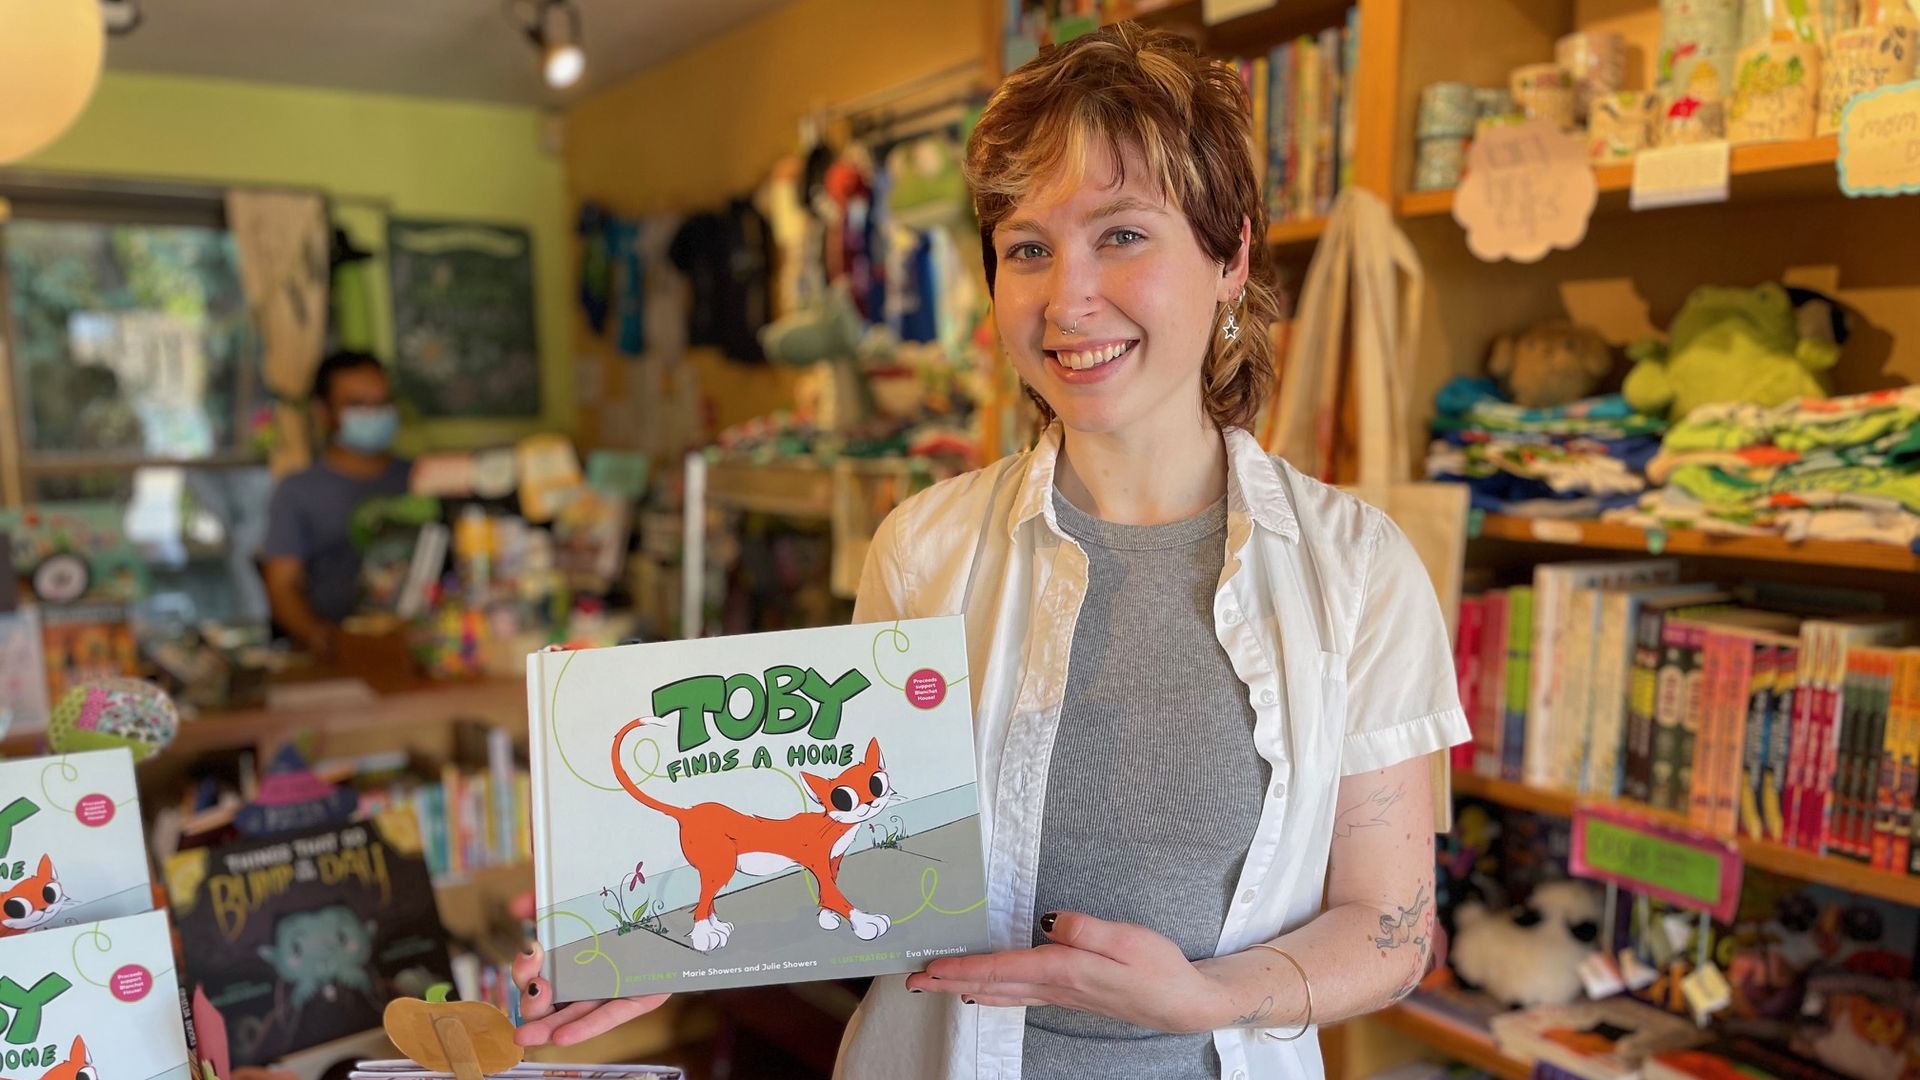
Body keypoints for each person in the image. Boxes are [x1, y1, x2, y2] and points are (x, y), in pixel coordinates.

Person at [510, 24, 1469, 1079]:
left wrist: (1208, 998)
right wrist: (654, 939)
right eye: (1028, 249)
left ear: (1231, 255)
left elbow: (1389, 925)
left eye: (1123, 235)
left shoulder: (1359, 571)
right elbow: (864, 856)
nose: (1067, 298)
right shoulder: (924, 549)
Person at [261, 351, 410, 659]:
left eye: (381, 403)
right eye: (357, 405)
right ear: (323, 411)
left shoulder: (421, 478)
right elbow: (282, 586)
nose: (374, 414)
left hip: (421, 647)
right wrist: (325, 641)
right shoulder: (298, 491)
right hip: (340, 652)